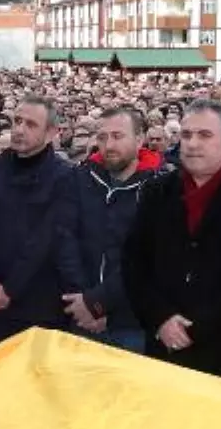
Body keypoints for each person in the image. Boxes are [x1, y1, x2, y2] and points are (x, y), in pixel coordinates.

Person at [122, 100, 221, 383]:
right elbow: (134, 262)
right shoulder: (157, 192)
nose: (192, 143)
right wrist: (160, 317)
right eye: (186, 135)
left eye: (204, 135)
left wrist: (197, 328)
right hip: (164, 347)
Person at [0, 95, 83, 346]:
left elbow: (47, 239)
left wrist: (9, 290)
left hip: (40, 305)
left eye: (30, 124)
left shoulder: (65, 177)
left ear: (52, 132)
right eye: (17, 121)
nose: (19, 130)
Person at [68, 106, 161, 352]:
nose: (108, 145)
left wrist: (99, 302)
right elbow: (64, 239)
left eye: (118, 136)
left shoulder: (159, 188)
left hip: (132, 323)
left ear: (139, 139)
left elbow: (148, 259)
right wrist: (83, 301)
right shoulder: (79, 179)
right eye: (102, 137)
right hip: (78, 313)